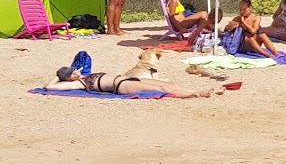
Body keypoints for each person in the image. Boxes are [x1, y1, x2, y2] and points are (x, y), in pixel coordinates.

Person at [46, 66, 219, 98]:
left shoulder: (84, 76)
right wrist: (58, 76)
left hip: (127, 79)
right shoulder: (78, 84)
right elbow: (49, 87)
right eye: (72, 73)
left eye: (74, 70)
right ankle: (196, 94)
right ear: (68, 78)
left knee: (171, 84)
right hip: (121, 86)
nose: (75, 72)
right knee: (161, 88)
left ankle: (198, 89)